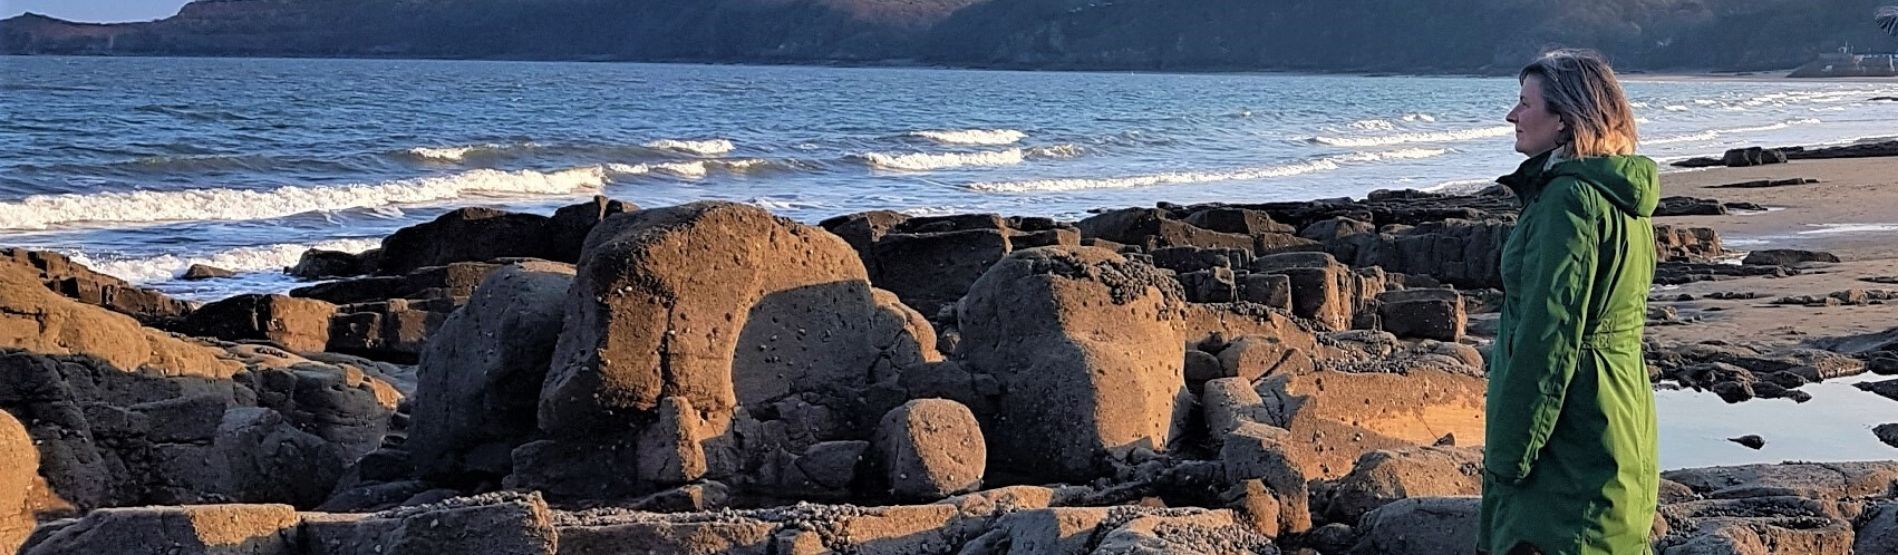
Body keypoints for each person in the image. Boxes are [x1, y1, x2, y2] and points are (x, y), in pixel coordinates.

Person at [1478, 49, 1660, 555]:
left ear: (1563, 120)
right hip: (1618, 411)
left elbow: (1549, 337)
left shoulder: (1570, 201)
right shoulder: (1623, 195)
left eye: (1524, 104)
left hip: (1568, 436)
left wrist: (1509, 458)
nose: (1512, 116)